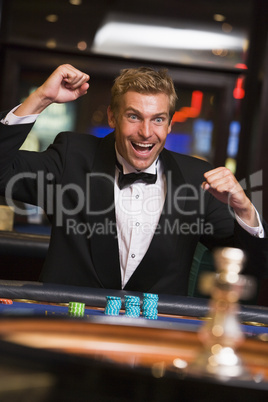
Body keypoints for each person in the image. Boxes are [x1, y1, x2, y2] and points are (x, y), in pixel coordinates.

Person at [0, 64, 267, 295]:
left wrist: (244, 208)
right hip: (71, 331)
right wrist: (41, 98)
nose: (146, 132)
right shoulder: (73, 155)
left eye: (158, 119)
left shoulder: (196, 177)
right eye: (133, 116)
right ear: (112, 117)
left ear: (170, 124)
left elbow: (257, 267)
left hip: (154, 341)